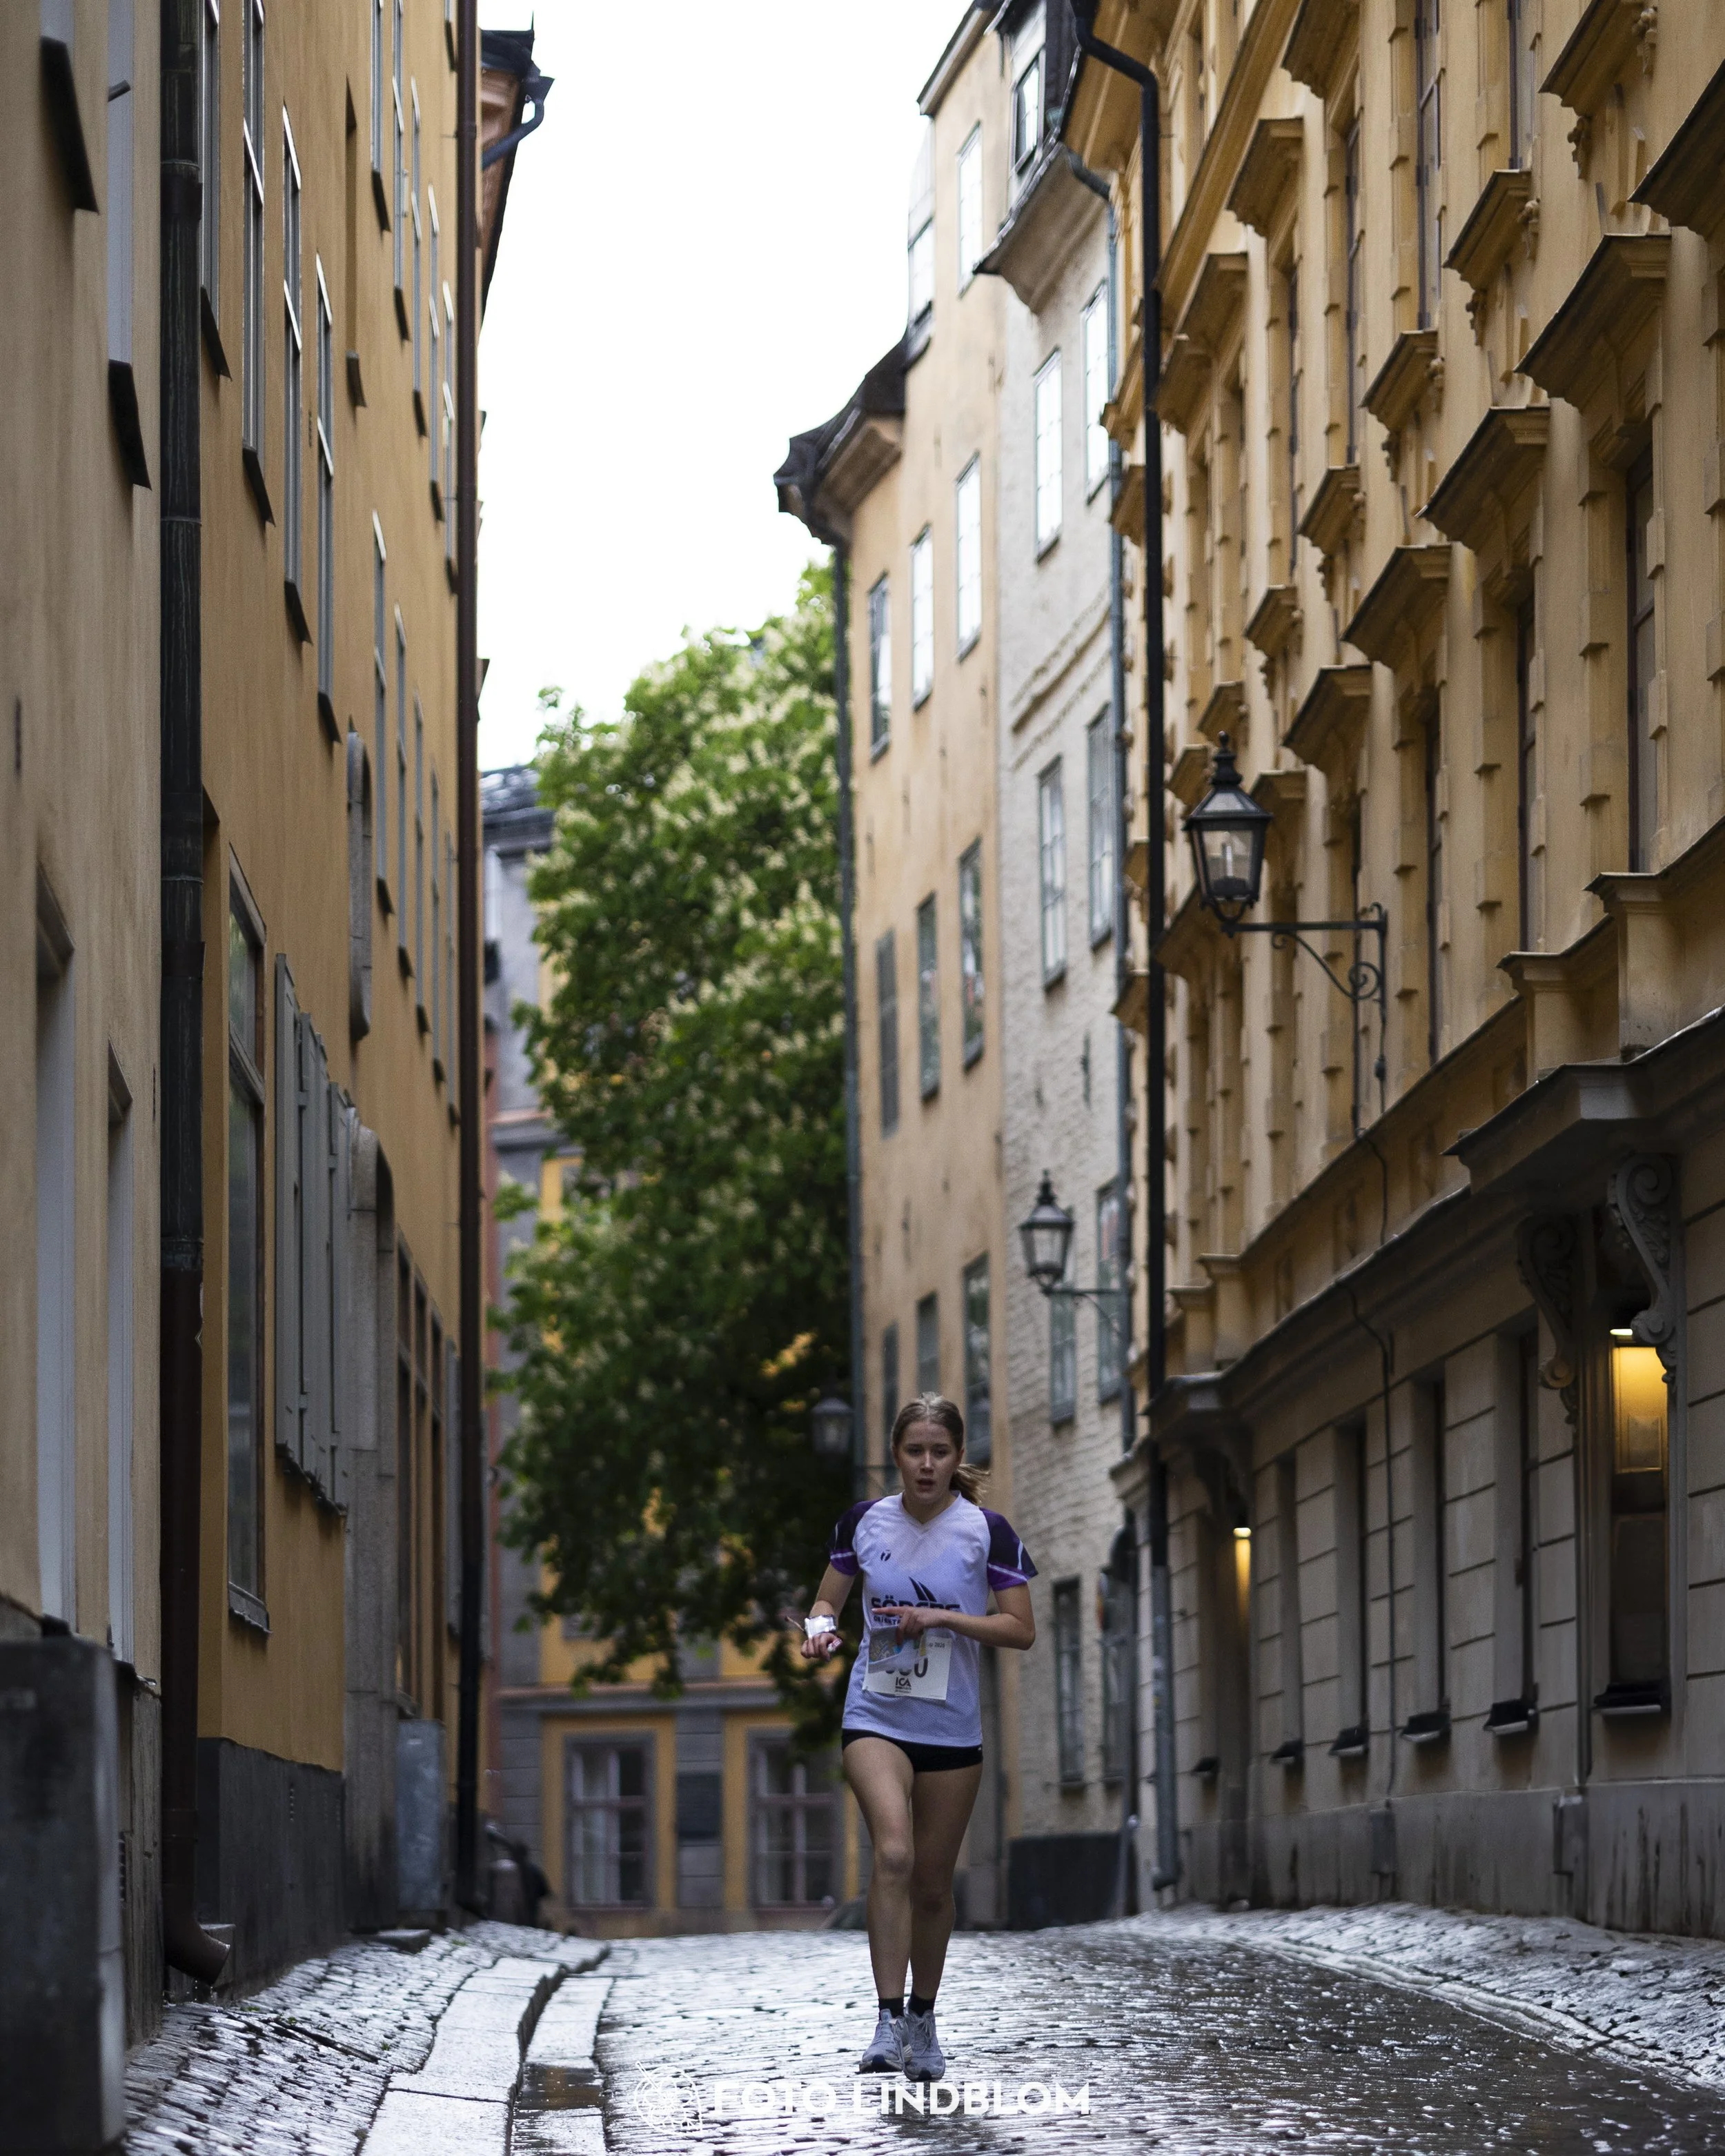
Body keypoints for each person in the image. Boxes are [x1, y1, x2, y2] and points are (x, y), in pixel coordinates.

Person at [799, 1394, 1036, 2081]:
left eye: (939, 1451)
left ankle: (924, 2021)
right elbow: (823, 1603)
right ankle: (884, 2018)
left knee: (933, 1882)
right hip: (875, 1714)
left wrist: (942, 1618)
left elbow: (1020, 1628)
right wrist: (818, 1633)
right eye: (914, 1450)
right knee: (894, 1853)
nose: (926, 1463)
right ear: (897, 1454)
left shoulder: (985, 1532)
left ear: (957, 1456)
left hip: (952, 1726)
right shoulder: (863, 1522)